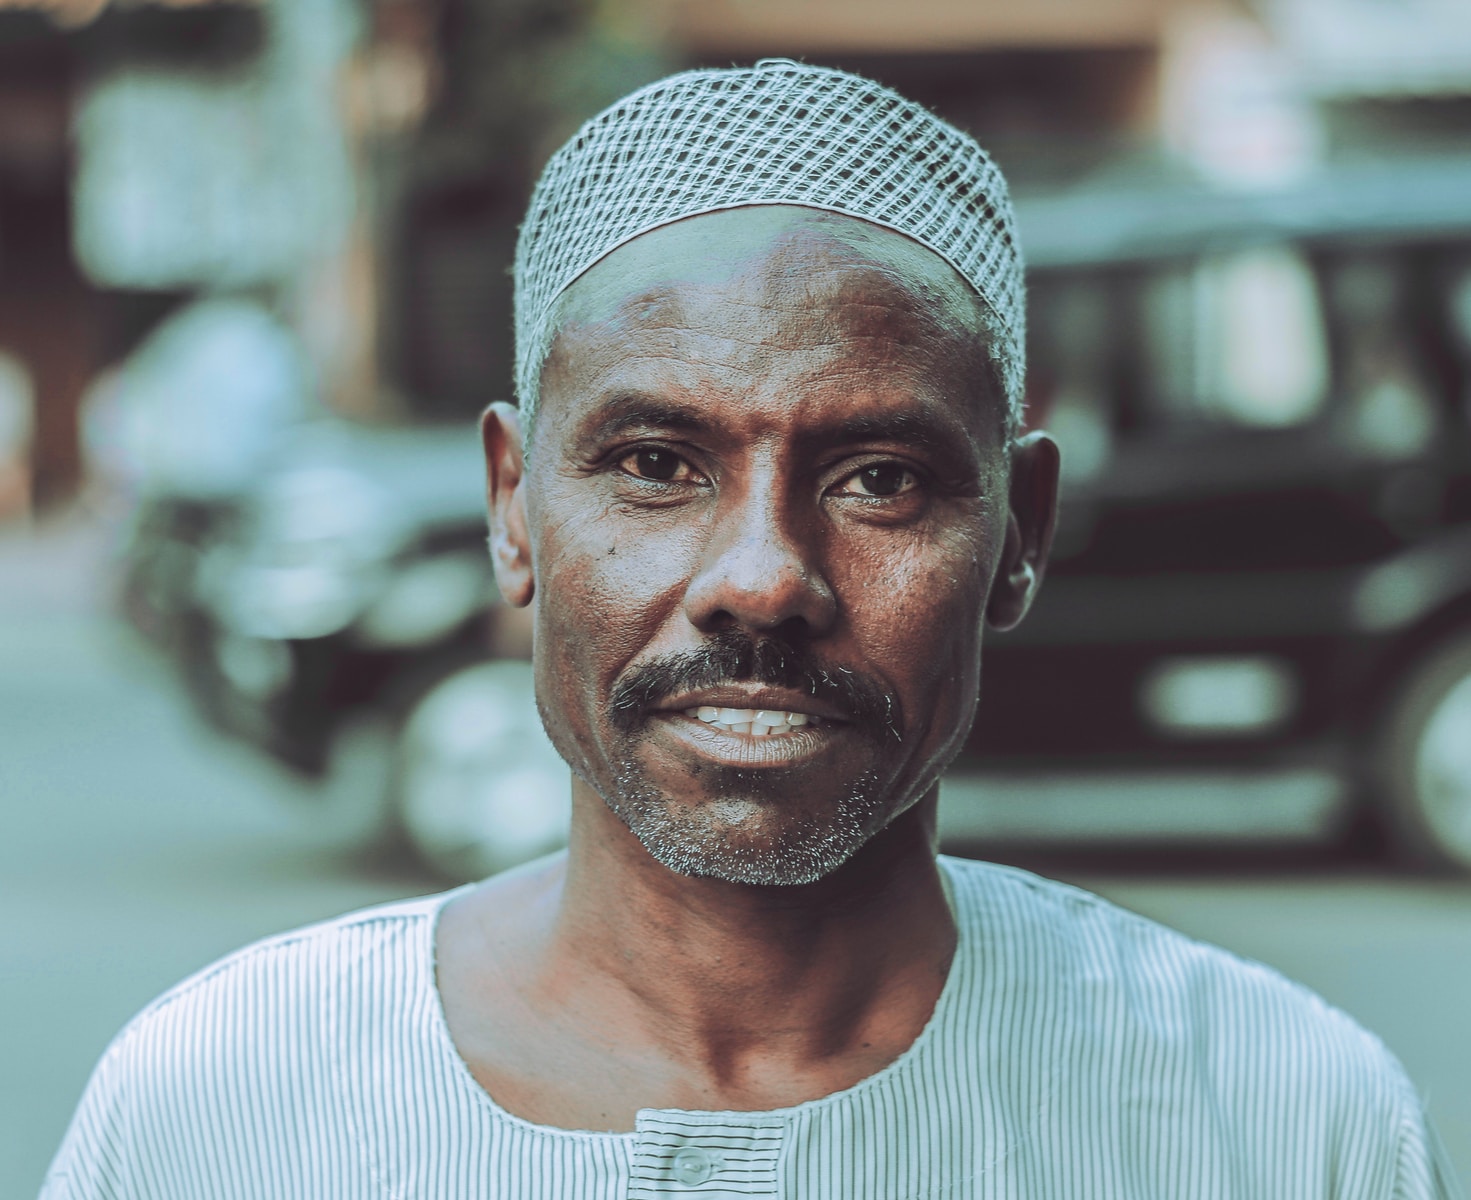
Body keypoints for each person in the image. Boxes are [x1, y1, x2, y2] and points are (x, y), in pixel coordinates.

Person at [44, 60, 1461, 1199]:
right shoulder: (222, 1105)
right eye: (657, 464)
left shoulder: (1275, 1119)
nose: (765, 578)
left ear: (1019, 533)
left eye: (881, 480)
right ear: (512, 509)